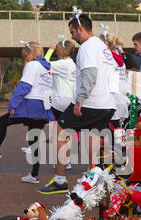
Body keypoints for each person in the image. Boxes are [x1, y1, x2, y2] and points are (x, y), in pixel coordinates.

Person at [38, 14, 116, 194]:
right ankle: (94, 182)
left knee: (60, 131)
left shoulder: (87, 47)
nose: (72, 36)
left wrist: (80, 100)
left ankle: (59, 180)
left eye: (73, 32)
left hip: (90, 102)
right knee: (93, 138)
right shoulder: (104, 48)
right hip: (106, 103)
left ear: (80, 29)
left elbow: (90, 75)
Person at [0, 41, 54, 184]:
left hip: (31, 105)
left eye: (26, 55)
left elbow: (24, 86)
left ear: (31, 53)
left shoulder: (32, 66)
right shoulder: (47, 68)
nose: (25, 58)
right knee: (33, 139)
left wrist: (13, 104)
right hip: (42, 106)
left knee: (3, 121)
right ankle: (34, 175)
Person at [44, 38, 76, 170]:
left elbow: (44, 63)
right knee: (67, 134)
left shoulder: (62, 63)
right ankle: (67, 161)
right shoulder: (73, 64)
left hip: (59, 101)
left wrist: (50, 50)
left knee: (57, 134)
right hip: (71, 101)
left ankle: (58, 161)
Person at [99, 31, 128, 130]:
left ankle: (117, 145)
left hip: (112, 101)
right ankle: (125, 145)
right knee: (123, 130)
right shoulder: (119, 57)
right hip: (122, 99)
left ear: (105, 44)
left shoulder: (107, 59)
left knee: (113, 133)